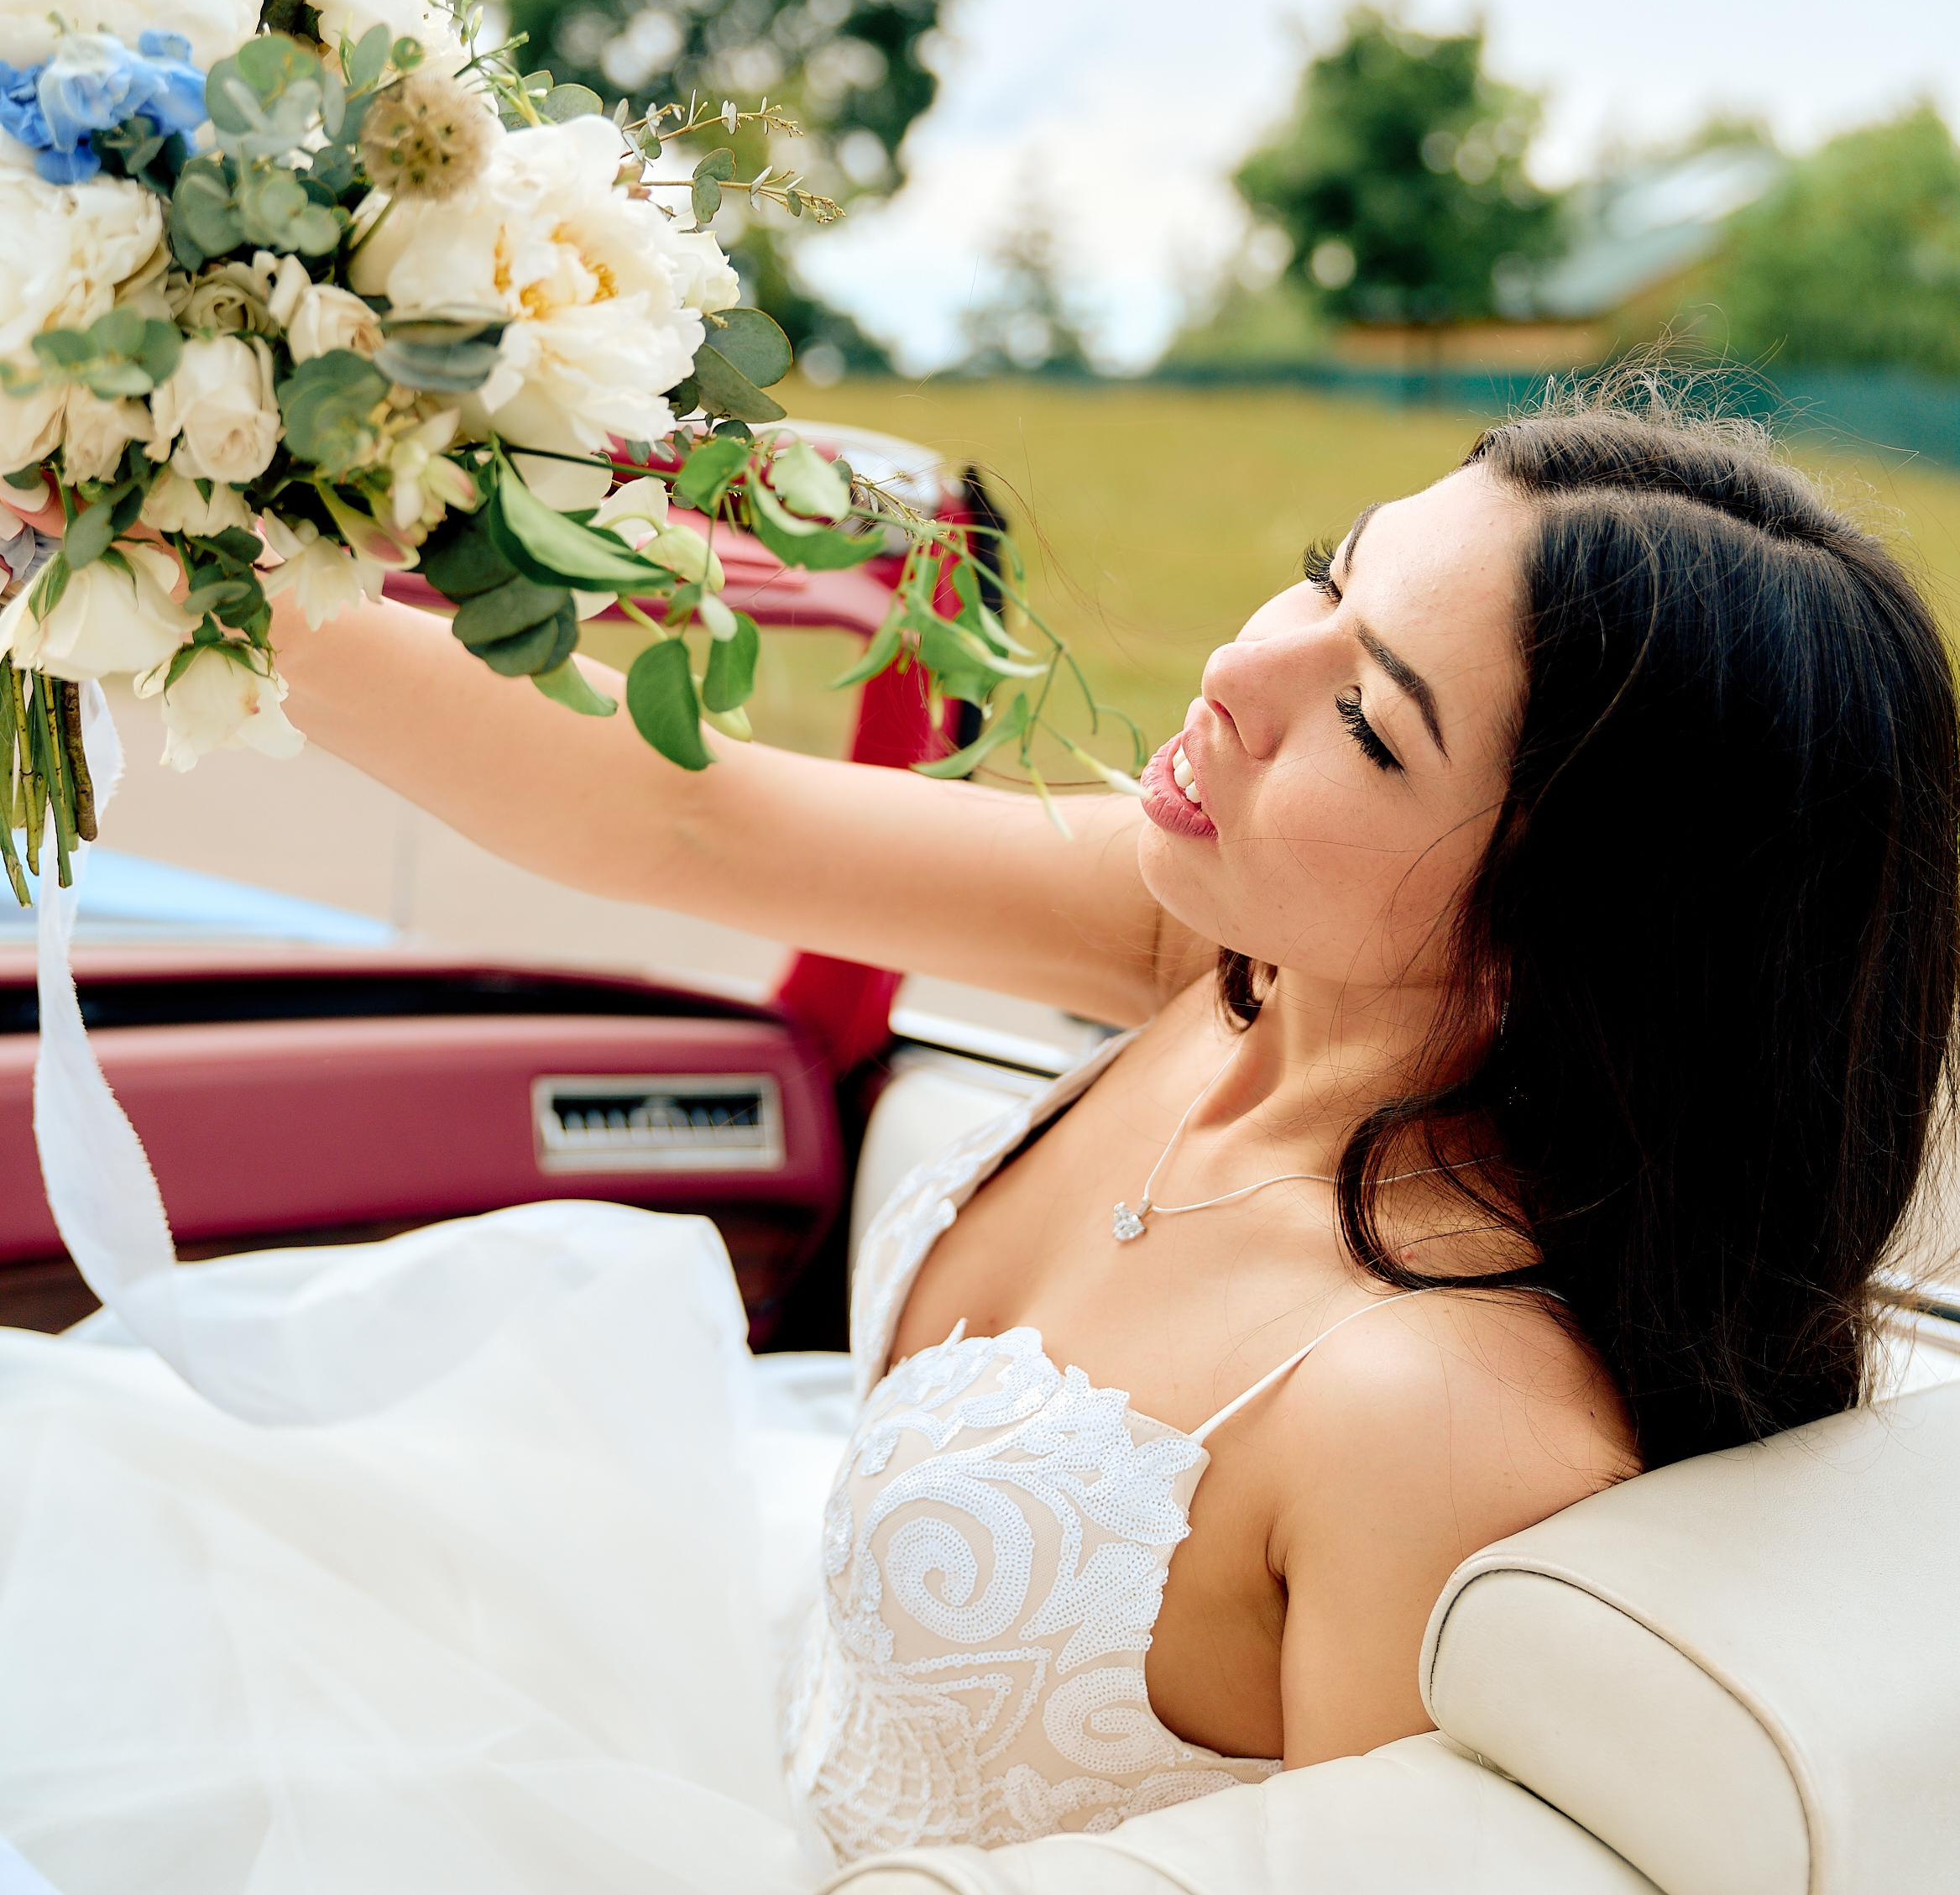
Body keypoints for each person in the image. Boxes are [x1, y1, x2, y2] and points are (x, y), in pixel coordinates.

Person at [0, 392, 1953, 1894]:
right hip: (720, 1710)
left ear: (1570, 924)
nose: (1236, 673)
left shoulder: (1434, 1417)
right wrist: (159, 559)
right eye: (1324, 572)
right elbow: (681, 822)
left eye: (1365, 720)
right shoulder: (1225, 940)